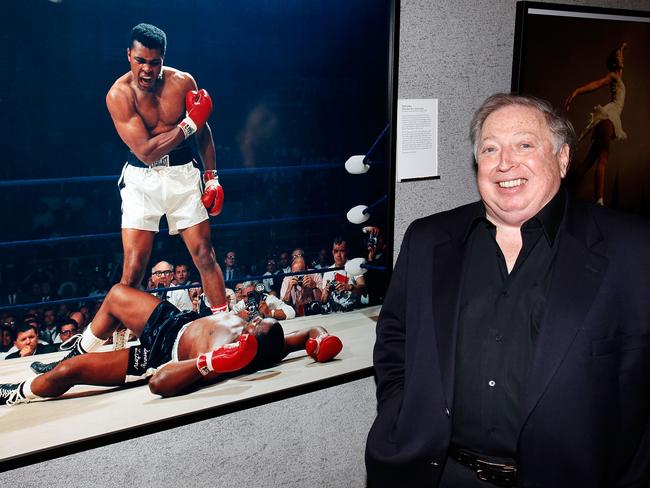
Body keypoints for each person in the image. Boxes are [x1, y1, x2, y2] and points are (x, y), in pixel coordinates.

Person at [365, 93, 650, 487]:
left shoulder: (633, 250)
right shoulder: (428, 240)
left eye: (524, 145)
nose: (504, 163)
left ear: (563, 158)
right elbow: (395, 339)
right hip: (438, 474)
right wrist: (401, 411)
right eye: (490, 148)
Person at [1, 284, 343, 406]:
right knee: (118, 294)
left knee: (69, 372)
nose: (251, 318)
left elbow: (159, 382)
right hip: (175, 321)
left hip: (160, 355)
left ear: (253, 340)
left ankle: (17, 392)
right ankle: (78, 347)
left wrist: (210, 362)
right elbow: (311, 330)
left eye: (254, 324)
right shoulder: (274, 340)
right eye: (256, 319)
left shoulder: (236, 356)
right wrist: (321, 341)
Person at [105, 23, 227, 314]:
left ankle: (226, 325)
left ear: (163, 59)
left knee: (204, 255)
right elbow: (147, 152)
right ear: (128, 56)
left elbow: (203, 132)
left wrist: (212, 178)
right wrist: (187, 124)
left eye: (154, 62)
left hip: (183, 174)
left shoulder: (183, 82)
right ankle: (123, 337)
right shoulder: (119, 95)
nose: (147, 69)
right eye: (140, 61)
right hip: (140, 181)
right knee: (133, 268)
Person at [564, 42, 627, 206]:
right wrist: (576, 92)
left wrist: (622, 48)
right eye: (619, 58)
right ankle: (599, 201)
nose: (622, 59)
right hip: (609, 116)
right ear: (614, 63)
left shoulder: (619, 76)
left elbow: (620, 61)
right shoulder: (612, 76)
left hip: (610, 117)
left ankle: (565, 189)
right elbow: (596, 84)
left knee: (587, 163)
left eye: (622, 57)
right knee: (603, 159)